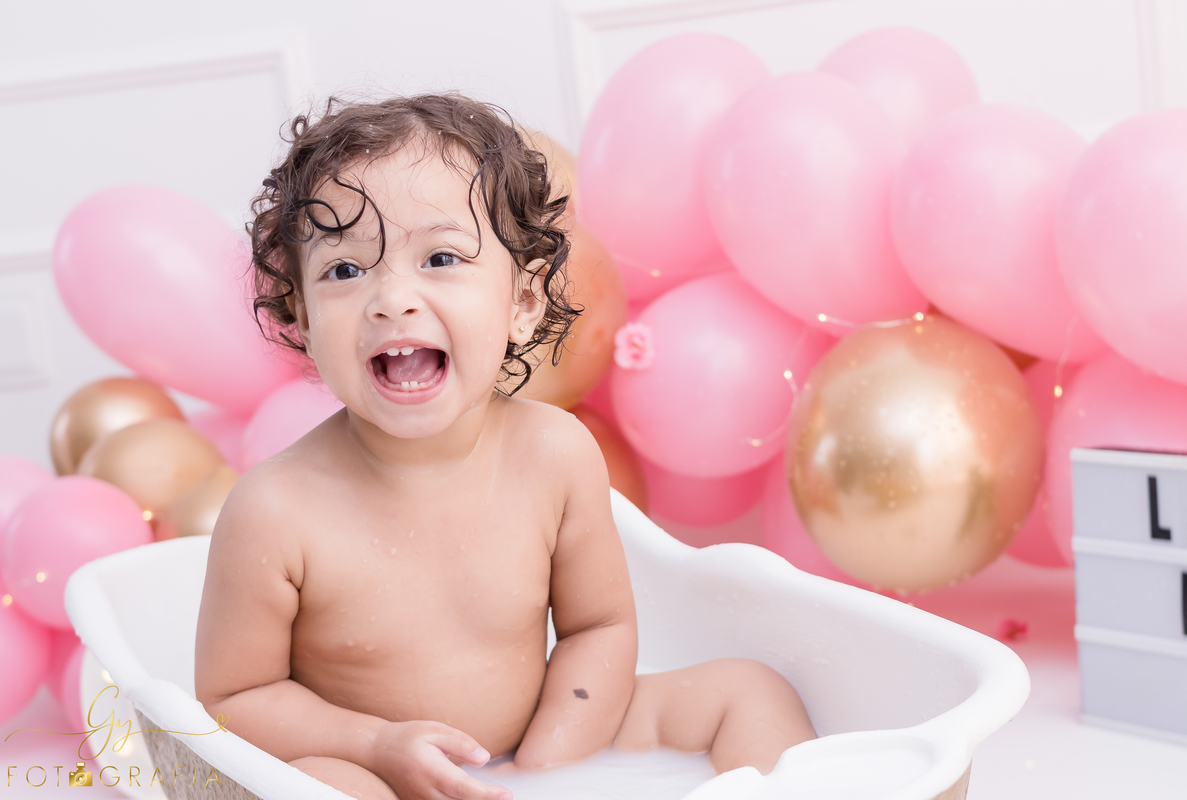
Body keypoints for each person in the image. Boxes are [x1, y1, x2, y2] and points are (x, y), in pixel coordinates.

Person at [194, 93, 815, 800]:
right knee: (316, 790)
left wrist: (549, 767)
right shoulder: (275, 510)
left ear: (522, 303)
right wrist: (374, 745)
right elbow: (233, 700)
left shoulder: (554, 454)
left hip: (544, 737)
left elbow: (598, 629)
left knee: (748, 691)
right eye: (345, 270)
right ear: (303, 321)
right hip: (373, 771)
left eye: (440, 257)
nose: (392, 299)